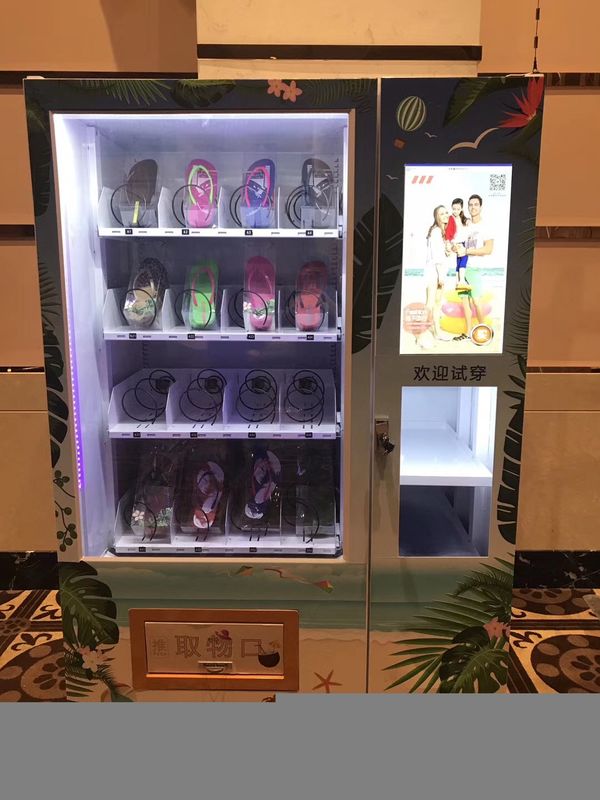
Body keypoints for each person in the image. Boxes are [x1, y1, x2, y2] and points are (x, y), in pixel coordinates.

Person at [452, 194, 494, 341]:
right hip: (461, 270)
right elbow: (459, 243)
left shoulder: (486, 226)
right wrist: (455, 248)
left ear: (481, 207)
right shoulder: (466, 224)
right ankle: (468, 332)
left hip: (474, 270)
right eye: (470, 204)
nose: (473, 207)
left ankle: (484, 331)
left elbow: (488, 249)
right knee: (465, 302)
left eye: (476, 204)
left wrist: (467, 251)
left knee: (476, 301)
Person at [417, 204, 453, 348]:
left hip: (440, 271)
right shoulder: (436, 231)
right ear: (436, 217)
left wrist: (448, 250)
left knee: (437, 303)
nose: (445, 215)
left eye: (446, 213)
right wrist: (440, 276)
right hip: (434, 272)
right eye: (442, 213)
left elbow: (442, 254)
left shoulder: (442, 232)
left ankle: (437, 333)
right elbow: (436, 257)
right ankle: (421, 336)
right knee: (430, 304)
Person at [445, 198, 470, 288]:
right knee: (464, 260)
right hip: (457, 243)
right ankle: (462, 280)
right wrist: (450, 243)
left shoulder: (463, 218)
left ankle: (458, 282)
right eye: (454, 209)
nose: (455, 211)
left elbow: (467, 226)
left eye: (458, 209)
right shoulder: (451, 218)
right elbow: (448, 232)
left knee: (459, 262)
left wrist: (468, 221)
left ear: (461, 209)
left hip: (463, 242)